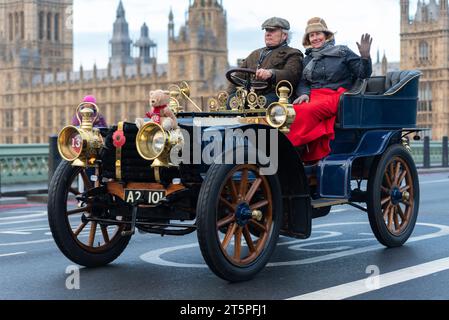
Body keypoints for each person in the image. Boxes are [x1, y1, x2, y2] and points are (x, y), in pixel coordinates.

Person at [287, 17, 373, 163]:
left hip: (335, 95)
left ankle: (292, 150)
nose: (315, 38)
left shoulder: (342, 51)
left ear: (326, 36)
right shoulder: (307, 59)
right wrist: (304, 94)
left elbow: (363, 74)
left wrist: (365, 57)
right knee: (286, 111)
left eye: (318, 34)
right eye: (311, 35)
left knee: (305, 111)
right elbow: (303, 82)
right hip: (312, 96)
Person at [228, 17, 303, 105]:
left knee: (265, 102)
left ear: (284, 35)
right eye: (267, 31)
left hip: (276, 95)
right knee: (231, 101)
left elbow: (292, 74)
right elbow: (238, 79)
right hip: (251, 96)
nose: (268, 34)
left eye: (272, 31)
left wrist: (271, 73)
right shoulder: (255, 54)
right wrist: (228, 95)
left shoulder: (293, 53)